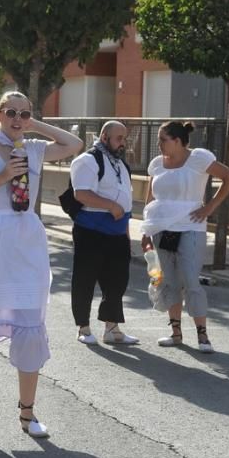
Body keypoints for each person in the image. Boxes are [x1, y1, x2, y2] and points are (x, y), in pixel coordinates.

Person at [0, 90, 82, 444]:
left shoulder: (34, 148)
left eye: (23, 114)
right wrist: (4, 174)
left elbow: (74, 143)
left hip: (25, 243)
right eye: (9, 112)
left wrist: (31, 124)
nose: (16, 119)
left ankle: (27, 413)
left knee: (29, 324)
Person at [141, 121, 229, 353]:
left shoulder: (199, 159)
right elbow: (150, 200)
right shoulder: (157, 165)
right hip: (161, 228)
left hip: (191, 227)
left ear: (177, 140)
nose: (159, 144)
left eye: (163, 139)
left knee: (191, 280)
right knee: (170, 281)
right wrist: (145, 230)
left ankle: (202, 336)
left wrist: (209, 208)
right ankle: (176, 333)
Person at [70, 121, 140, 346]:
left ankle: (112, 329)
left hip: (118, 234)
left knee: (117, 282)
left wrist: (127, 236)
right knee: (85, 279)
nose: (123, 143)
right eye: (119, 138)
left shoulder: (120, 164)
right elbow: (81, 193)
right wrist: (110, 206)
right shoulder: (88, 161)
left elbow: (125, 203)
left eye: (124, 139)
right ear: (104, 137)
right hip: (91, 232)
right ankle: (83, 327)